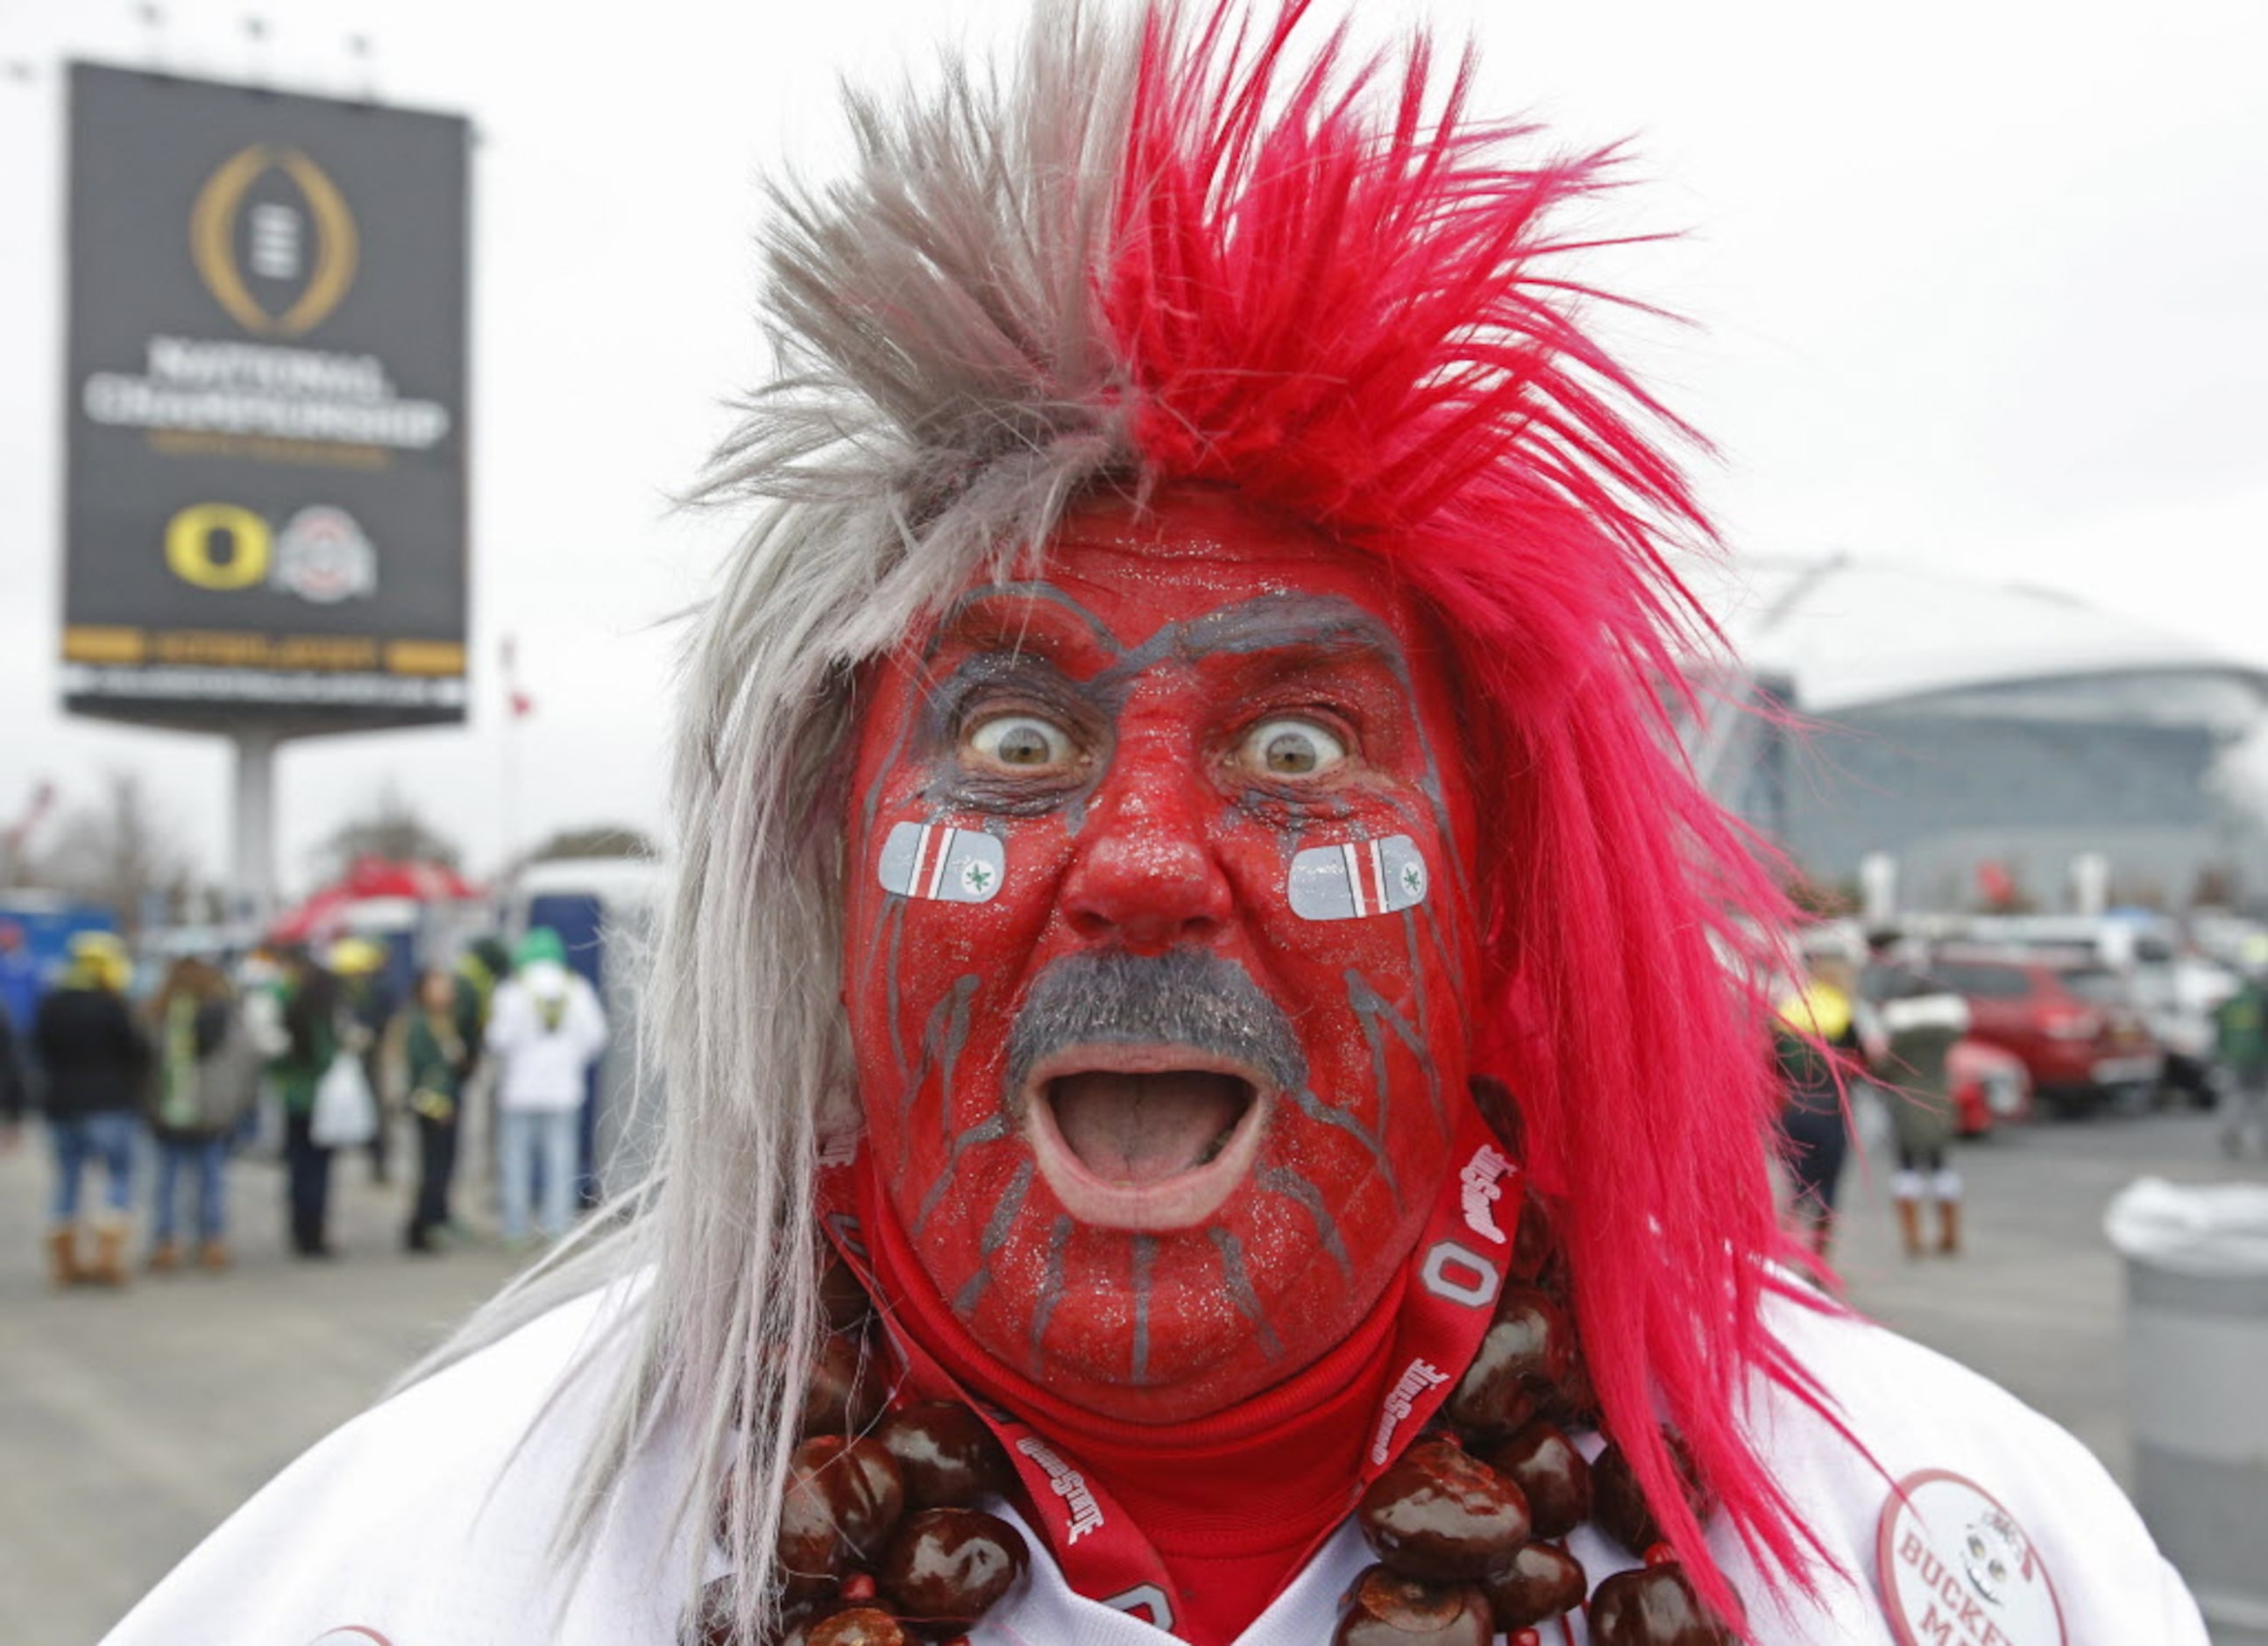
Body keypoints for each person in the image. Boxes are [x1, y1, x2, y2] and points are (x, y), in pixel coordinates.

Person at [108, 5, 2206, 1642]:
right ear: (831, 888)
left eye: (1299, 753)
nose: (1131, 859)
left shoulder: (1946, 1550)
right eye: (1009, 738)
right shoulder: (422, 1571)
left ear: (1491, 900)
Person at [32, 931, 147, 1288]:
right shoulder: (111, 1005)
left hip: (61, 1104)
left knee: (67, 1180)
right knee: (117, 1175)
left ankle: (64, 1266)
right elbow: (137, 1051)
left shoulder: (51, 1003)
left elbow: (39, 1051)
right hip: (109, 1103)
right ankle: (107, 1259)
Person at [485, 928, 606, 1245]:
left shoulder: (512, 990)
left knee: (516, 1159)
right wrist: (568, 1058)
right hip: (564, 1090)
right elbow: (596, 1037)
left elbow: (497, 1039)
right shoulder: (577, 988)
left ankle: (515, 1228)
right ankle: (557, 1227)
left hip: (519, 1090)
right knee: (561, 1159)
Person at [143, 954, 259, 1273]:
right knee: (212, 1179)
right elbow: (246, 1059)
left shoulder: (158, 1012)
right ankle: (213, 1242)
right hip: (214, 1110)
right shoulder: (225, 1012)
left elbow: (145, 1062)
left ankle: (166, 1242)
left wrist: (148, 1103)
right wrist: (239, 1103)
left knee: (167, 1181)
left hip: (169, 1109)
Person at [1860, 961, 1973, 1258]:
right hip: (1938, 1101)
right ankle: (1949, 1235)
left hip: (1907, 1105)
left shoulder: (1904, 1038)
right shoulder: (1944, 1034)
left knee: (1907, 1167)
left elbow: (1886, 1069)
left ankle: (1913, 1238)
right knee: (1940, 1165)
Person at [1771, 957, 1860, 1259]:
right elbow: (1858, 1065)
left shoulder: (1789, 1012)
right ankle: (1818, 1261)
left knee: (1797, 1187)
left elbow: (1775, 1065)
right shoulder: (1843, 1015)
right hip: (1830, 1110)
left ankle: (1781, 1253)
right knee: (1828, 1190)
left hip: (1794, 1108)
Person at [269, 950, 347, 1259]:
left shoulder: (289, 1005)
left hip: (293, 1096)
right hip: (319, 1098)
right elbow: (324, 1057)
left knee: (298, 1166)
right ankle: (314, 1232)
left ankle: (299, 1229)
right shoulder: (320, 1012)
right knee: (318, 1169)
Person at [401, 966, 474, 1253]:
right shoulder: (420, 1024)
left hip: (448, 1100)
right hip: (432, 1104)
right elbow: (424, 1069)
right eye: (439, 986)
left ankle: (435, 1217)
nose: (447, 992)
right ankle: (423, 1224)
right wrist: (436, 1103)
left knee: (443, 1163)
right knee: (432, 1165)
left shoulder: (447, 1020)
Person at [2213, 958, 2268, 1160]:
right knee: (2261, 1098)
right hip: (2260, 1056)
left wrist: (2220, 1053)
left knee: (2236, 1096)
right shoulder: (2262, 999)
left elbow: (2219, 1028)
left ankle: (2231, 1132)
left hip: (2234, 1057)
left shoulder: (2231, 1002)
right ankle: (2264, 1139)